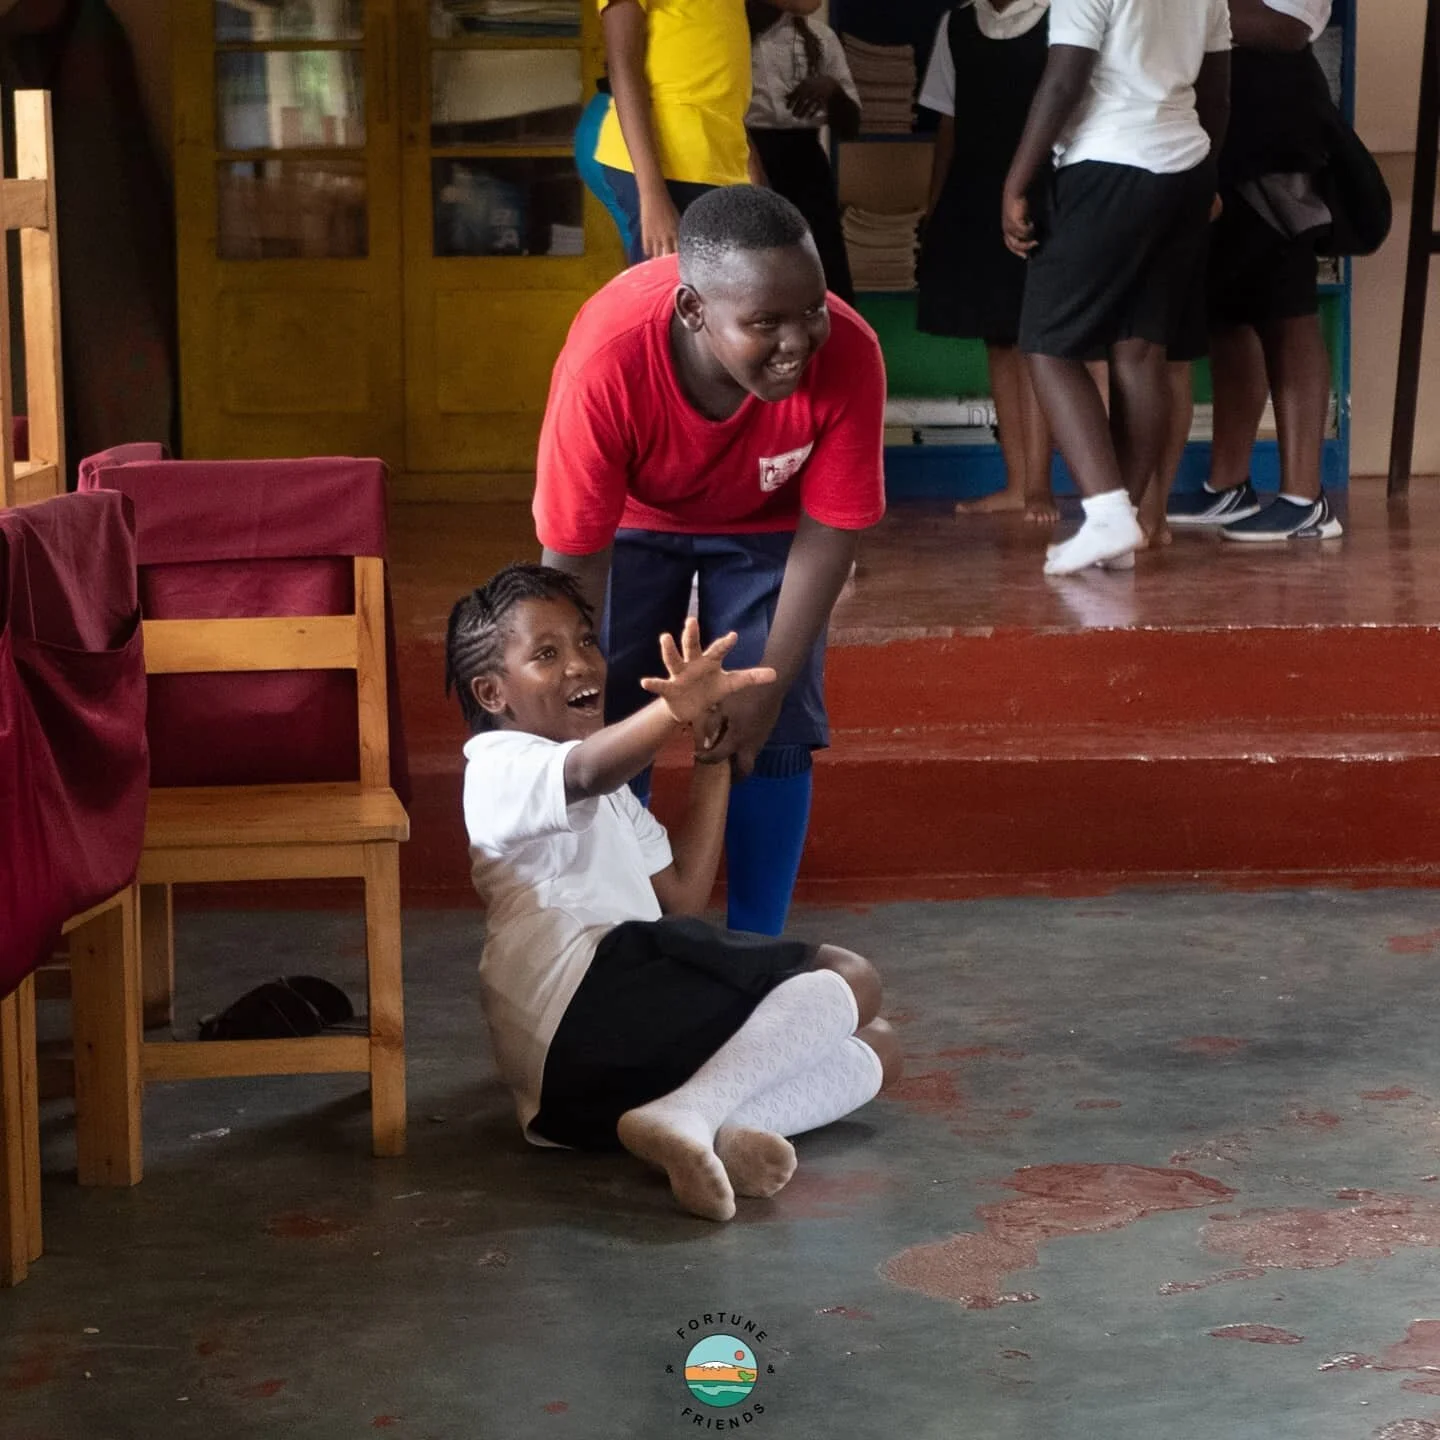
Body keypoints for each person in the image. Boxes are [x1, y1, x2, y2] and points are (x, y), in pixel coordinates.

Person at [448, 564, 901, 1222]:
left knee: (880, 1046)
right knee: (850, 977)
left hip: (583, 1103)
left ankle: (710, 1124)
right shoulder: (498, 764)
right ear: (493, 693)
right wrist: (670, 710)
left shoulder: (608, 794)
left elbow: (682, 897)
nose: (580, 665)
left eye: (584, 642)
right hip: (579, 1006)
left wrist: (711, 757)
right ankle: (695, 1110)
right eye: (546, 655)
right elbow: (590, 767)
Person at [533, 185, 887, 937]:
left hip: (767, 524)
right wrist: (580, 703)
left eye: (812, 309)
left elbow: (830, 535)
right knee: (615, 711)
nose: (798, 340)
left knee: (774, 712)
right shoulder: (608, 361)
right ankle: (626, 932)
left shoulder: (849, 351)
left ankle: (757, 943)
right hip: (629, 522)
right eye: (766, 322)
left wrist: (767, 690)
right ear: (694, 310)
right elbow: (573, 564)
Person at [1001, 0, 1231, 574]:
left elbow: (1063, 80)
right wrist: (1207, 178)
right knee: (1141, 351)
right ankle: (1122, 520)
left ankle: (1107, 513)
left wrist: (1017, 179)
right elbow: (1219, 93)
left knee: (1046, 342)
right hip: (1185, 167)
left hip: (1107, 164)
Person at [1167, 0, 1342, 543]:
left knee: (1285, 305)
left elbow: (1290, 26)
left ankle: (1304, 498)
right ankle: (1229, 484)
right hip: (1217, 131)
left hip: (1276, 131)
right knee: (1228, 311)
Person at [916, 0, 1058, 523]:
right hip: (977, 194)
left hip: (1043, 195)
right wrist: (936, 211)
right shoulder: (955, 25)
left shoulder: (1058, 16)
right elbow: (948, 124)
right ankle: (1018, 483)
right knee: (999, 339)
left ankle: (1042, 486)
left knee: (1038, 340)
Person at [595, 0, 772, 264]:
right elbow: (623, 69)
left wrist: (750, 165)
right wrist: (653, 196)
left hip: (719, 162)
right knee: (676, 295)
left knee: (718, 295)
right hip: (665, 163)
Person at [745, 0, 860, 301]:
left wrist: (831, 89)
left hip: (806, 162)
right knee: (757, 265)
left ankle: (831, 344)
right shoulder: (726, 37)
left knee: (823, 265)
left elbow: (851, 126)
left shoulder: (820, 37)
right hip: (745, 155)